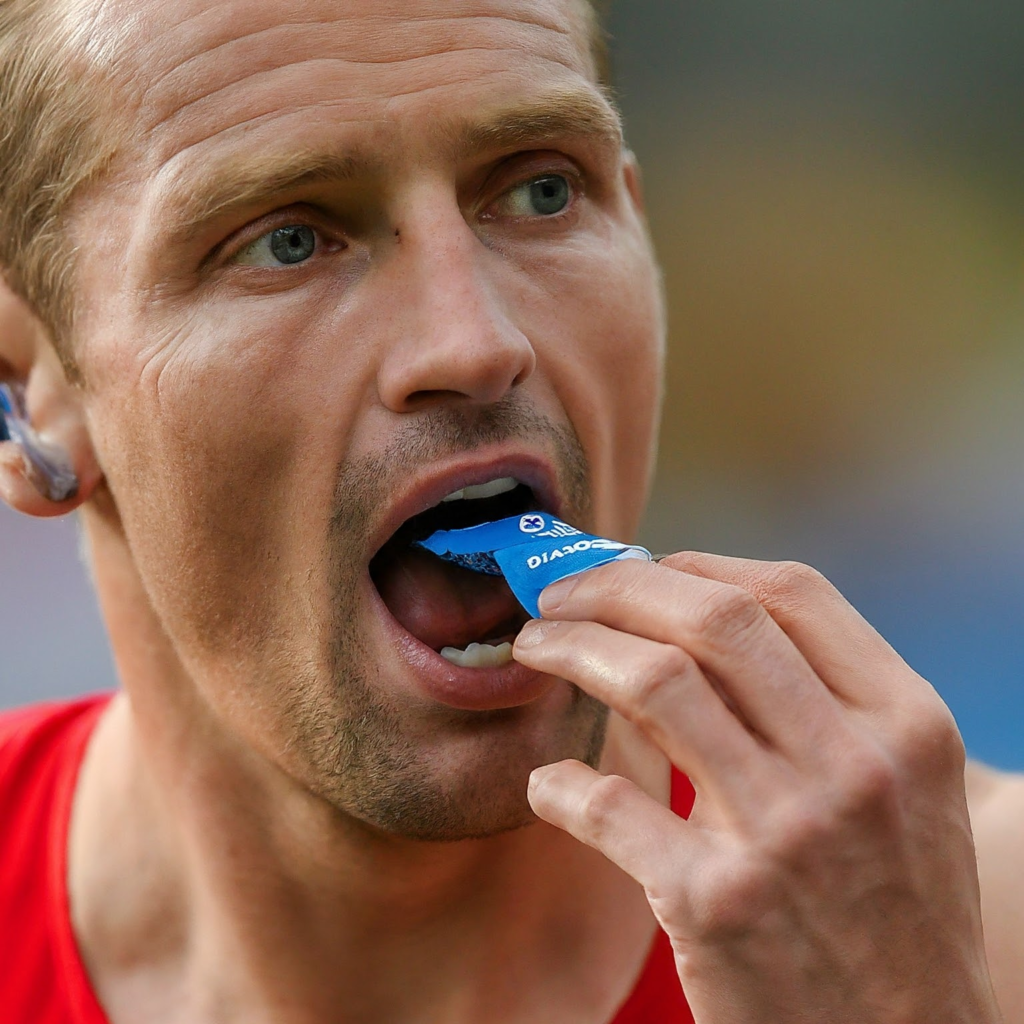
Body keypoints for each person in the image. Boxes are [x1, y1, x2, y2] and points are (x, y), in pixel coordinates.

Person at [0, 0, 1021, 1020]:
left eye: (542, 190)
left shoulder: (976, 929)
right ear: (24, 390)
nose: (476, 343)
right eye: (287, 241)